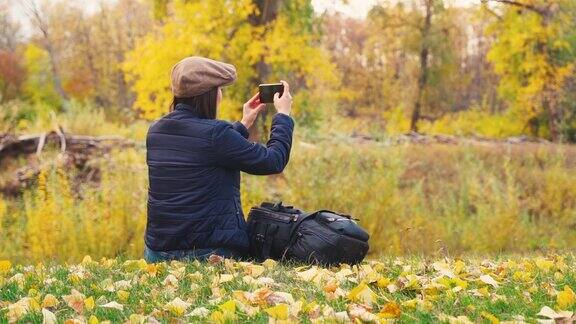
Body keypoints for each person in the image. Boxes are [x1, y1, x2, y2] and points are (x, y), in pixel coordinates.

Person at [144, 56, 294, 263]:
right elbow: (273, 161)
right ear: (210, 95)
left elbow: (201, 148)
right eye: (219, 90)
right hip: (207, 253)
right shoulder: (216, 134)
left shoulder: (156, 131)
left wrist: (243, 123)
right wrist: (283, 115)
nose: (221, 95)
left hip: (157, 253)